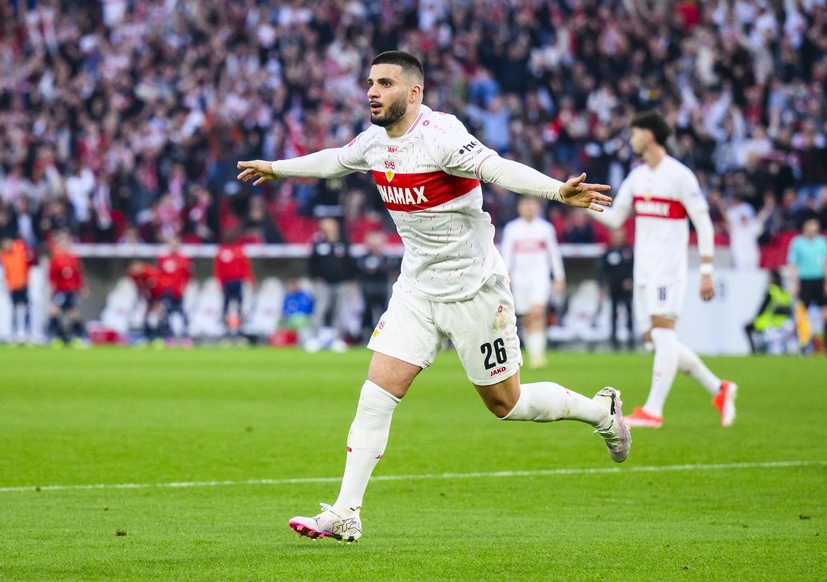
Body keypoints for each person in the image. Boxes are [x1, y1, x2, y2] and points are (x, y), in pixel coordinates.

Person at [237, 50, 629, 543]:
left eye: (384, 83)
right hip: (418, 288)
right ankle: (346, 511)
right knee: (376, 394)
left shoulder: (442, 137)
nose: (372, 92)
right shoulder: (375, 143)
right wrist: (277, 168)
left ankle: (601, 412)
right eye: (370, 83)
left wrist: (556, 191)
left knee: (505, 404)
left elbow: (498, 168)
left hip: (474, 289)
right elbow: (334, 161)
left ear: (414, 92)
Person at [590, 110, 737, 429]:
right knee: (658, 342)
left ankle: (653, 410)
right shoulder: (638, 177)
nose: (631, 140)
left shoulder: (680, 176)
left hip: (668, 269)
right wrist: (582, 203)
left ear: (649, 136)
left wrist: (708, 269)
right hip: (643, 271)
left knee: (663, 335)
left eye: (634, 133)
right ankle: (719, 388)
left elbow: (704, 223)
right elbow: (616, 218)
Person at [500, 196, 565, 368]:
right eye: (525, 204)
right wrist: (506, 275)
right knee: (527, 317)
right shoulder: (512, 229)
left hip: (540, 277)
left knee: (538, 312)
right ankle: (533, 353)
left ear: (537, 207)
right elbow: (506, 254)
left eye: (531, 204)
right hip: (520, 279)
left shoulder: (545, 229)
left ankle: (539, 355)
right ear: (519, 207)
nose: (528, 208)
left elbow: (554, 254)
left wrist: (559, 276)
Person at [306, 217, 358, 352]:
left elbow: (351, 264)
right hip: (324, 284)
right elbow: (312, 263)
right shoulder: (319, 244)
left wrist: (351, 281)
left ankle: (337, 339)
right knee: (320, 310)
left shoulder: (344, 244)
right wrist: (315, 278)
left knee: (340, 312)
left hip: (341, 283)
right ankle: (314, 338)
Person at [787, 217, 827, 352]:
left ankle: (823, 344)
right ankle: (803, 343)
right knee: (802, 312)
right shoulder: (797, 243)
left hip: (819, 280)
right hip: (804, 280)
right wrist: (794, 283)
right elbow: (793, 264)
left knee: (824, 311)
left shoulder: (821, 242)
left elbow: (825, 263)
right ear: (805, 229)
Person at [47, 230, 87, 346]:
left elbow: (78, 274)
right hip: (60, 290)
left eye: (65, 241)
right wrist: (51, 289)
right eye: (61, 241)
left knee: (72, 313)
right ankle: (55, 337)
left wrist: (82, 288)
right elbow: (51, 276)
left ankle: (79, 336)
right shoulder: (55, 258)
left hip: (70, 289)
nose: (63, 243)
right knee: (55, 311)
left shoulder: (73, 258)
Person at [598, 227, 635, 350]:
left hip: (627, 288)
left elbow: (634, 268)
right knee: (613, 313)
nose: (618, 238)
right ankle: (614, 340)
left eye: (620, 235)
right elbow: (602, 270)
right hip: (614, 287)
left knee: (629, 312)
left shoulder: (628, 250)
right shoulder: (608, 251)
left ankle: (631, 339)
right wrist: (603, 286)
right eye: (616, 235)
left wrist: (631, 280)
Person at [214, 234, 255, 339]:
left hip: (238, 281)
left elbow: (246, 267)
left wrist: (250, 280)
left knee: (240, 306)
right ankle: (226, 329)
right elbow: (218, 269)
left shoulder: (239, 250)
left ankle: (240, 329)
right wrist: (219, 282)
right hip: (227, 282)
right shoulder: (222, 251)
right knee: (226, 306)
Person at [356, 232, 393, 345]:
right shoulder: (363, 258)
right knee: (367, 313)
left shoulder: (386, 258)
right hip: (368, 289)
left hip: (382, 289)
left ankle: (382, 336)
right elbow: (360, 271)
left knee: (384, 313)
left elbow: (389, 271)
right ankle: (366, 335)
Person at [744, 269, 793, 354]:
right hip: (784, 324)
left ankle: (755, 350)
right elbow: (789, 309)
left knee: (747, 328)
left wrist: (754, 318)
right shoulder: (785, 292)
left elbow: (762, 307)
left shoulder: (771, 290)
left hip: (770, 322)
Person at [157, 236, 194, 345]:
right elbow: (159, 275)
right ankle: (169, 337)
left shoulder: (184, 259)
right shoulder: (163, 259)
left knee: (182, 313)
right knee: (166, 314)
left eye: (176, 244)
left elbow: (188, 276)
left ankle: (185, 337)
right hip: (166, 291)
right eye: (172, 244)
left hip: (179, 291)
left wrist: (184, 286)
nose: (174, 246)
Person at [0, 236, 34, 344]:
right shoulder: (3, 255)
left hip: (23, 284)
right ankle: (14, 333)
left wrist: (24, 279)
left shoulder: (19, 249)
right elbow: (6, 272)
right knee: (14, 309)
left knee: (26, 308)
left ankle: (28, 333)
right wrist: (7, 285)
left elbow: (25, 264)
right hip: (13, 286)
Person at [127, 259, 167, 345]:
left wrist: (156, 303)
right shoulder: (133, 275)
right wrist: (143, 299)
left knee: (159, 315)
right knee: (145, 315)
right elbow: (139, 287)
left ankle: (161, 337)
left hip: (159, 294)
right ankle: (147, 337)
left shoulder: (150, 272)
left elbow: (156, 288)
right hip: (146, 296)